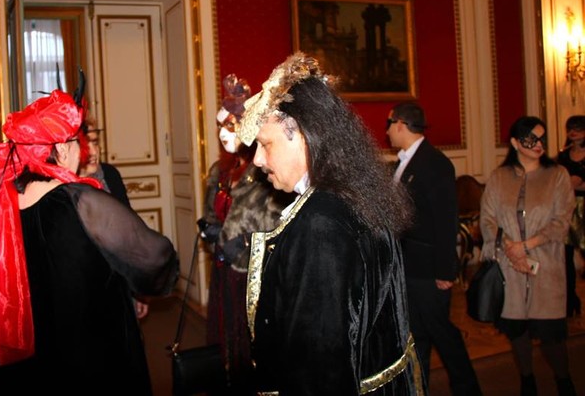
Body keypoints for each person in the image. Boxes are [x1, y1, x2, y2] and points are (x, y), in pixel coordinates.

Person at [0, 89, 178, 395]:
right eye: (78, 144)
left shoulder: (2, 201)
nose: (83, 153)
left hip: (29, 358)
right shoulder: (82, 201)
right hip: (86, 353)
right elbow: (154, 255)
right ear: (62, 149)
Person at [236, 52, 424, 395]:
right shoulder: (357, 193)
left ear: (302, 135)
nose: (258, 160)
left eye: (264, 144)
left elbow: (319, 365)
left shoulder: (320, 224)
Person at [200, 74, 293, 394]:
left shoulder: (267, 170)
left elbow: (280, 223)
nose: (224, 134)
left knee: (253, 342)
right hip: (224, 269)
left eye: (231, 126)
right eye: (220, 127)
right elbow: (211, 213)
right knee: (226, 336)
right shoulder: (219, 171)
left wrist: (246, 243)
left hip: (254, 274)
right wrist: (210, 229)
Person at [386, 102, 482, 396]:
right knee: (417, 336)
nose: (387, 131)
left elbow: (446, 220)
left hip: (429, 270)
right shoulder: (401, 163)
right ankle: (418, 387)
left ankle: (468, 389)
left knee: (442, 333)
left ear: (400, 124)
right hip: (409, 266)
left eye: (389, 124)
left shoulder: (435, 163)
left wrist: (445, 270)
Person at [480, 115, 576, 395]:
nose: (538, 145)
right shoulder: (499, 178)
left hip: (547, 266)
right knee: (517, 331)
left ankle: (564, 381)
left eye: (542, 138)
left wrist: (527, 245)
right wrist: (512, 248)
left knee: (551, 336)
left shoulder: (557, 175)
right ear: (514, 143)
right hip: (510, 267)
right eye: (531, 139)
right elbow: (487, 220)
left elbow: (562, 221)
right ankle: (527, 381)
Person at [79, 114, 149, 319]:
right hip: (85, 290)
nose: (93, 152)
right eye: (85, 145)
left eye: (95, 142)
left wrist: (138, 289)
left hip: (120, 281)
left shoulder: (110, 174)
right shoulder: (62, 187)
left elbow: (130, 233)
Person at [557, 114, 585, 316]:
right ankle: (570, 299)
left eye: (578, 127)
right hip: (567, 207)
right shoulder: (563, 156)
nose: (573, 132)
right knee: (565, 257)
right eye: (570, 128)